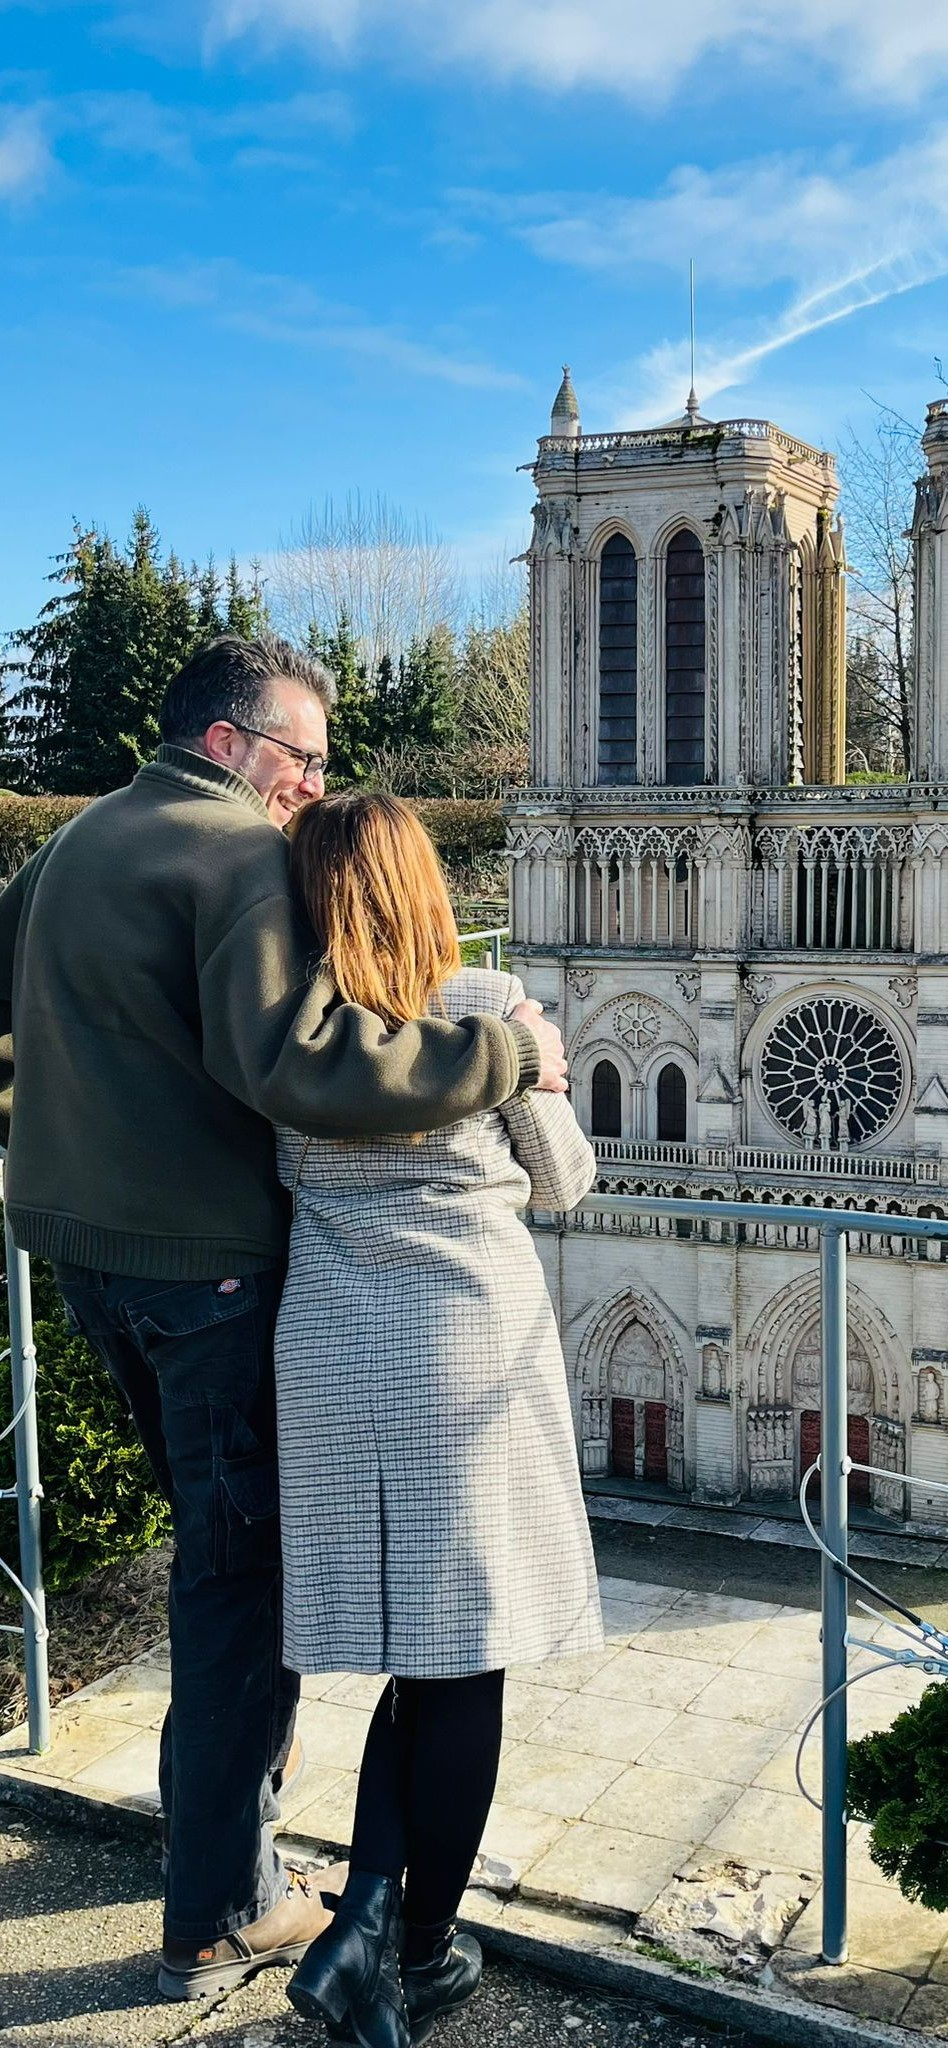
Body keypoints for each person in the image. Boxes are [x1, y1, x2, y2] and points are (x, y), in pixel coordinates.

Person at [0, 635, 567, 2001]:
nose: (312, 789)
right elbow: (305, 1065)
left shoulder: (74, 846)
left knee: (216, 1553)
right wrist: (509, 1054)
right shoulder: (235, 853)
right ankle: (220, 1912)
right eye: (302, 760)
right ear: (227, 746)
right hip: (204, 1272)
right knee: (239, 1587)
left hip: (82, 1254)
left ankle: (234, 1839)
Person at [274, 793, 601, 2048]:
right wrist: (542, 1060)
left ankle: (364, 1919)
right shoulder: (484, 1005)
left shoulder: (293, 1034)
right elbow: (566, 1181)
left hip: (328, 1346)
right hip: (462, 1351)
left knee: (420, 1649)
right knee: (464, 1659)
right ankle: (409, 1949)